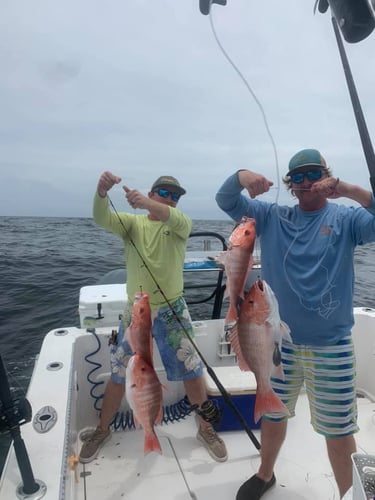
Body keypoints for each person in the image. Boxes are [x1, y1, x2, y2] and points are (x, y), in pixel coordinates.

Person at [215, 148, 375, 499]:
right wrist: (244, 175)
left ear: (326, 176)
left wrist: (347, 189)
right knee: (273, 415)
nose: (306, 182)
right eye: (298, 176)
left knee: (337, 430)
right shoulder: (273, 217)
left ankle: (349, 493)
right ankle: (265, 473)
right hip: (277, 343)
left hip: (330, 345)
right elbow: (225, 199)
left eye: (314, 173)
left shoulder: (347, 220)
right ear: (290, 185)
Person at [79, 172, 228, 464]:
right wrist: (100, 192)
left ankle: (206, 428)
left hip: (173, 310)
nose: (170, 198)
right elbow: (101, 218)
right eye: (164, 192)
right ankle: (102, 430)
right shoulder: (132, 224)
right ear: (153, 192)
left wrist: (148, 201)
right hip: (136, 314)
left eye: (175, 195)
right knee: (120, 372)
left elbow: (169, 214)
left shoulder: (179, 224)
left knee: (192, 373)